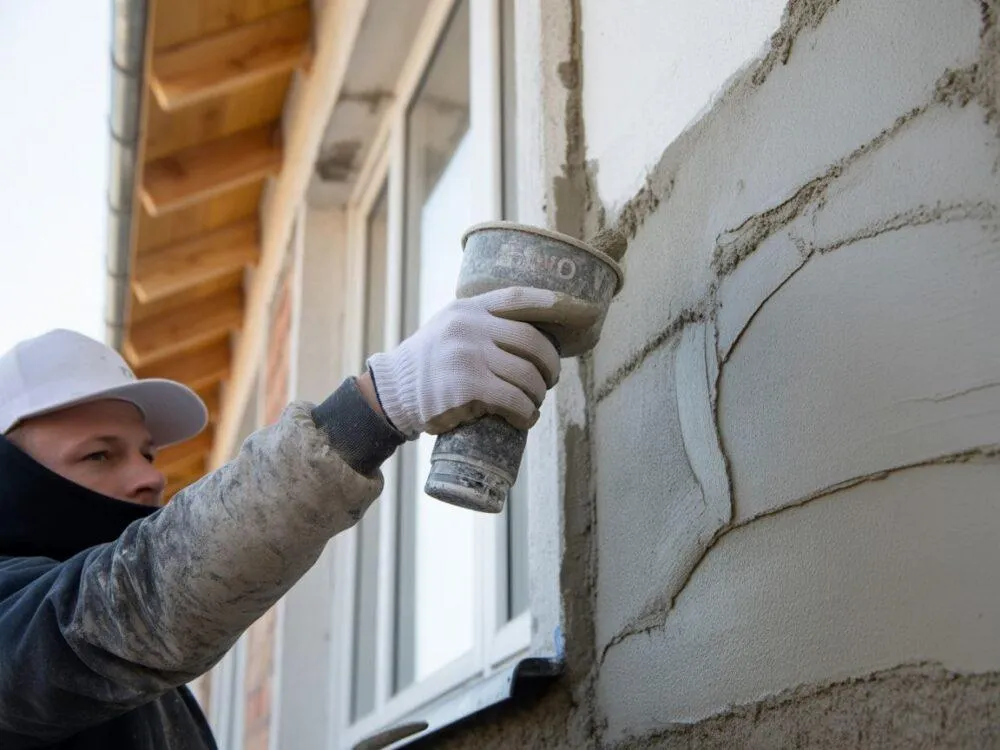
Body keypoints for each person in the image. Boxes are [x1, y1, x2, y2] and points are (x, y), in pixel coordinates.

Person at [0, 287, 561, 749]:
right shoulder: (37, 634)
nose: (150, 478)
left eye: (146, 452)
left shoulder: (149, 697)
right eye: (99, 454)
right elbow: (125, 608)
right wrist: (375, 406)